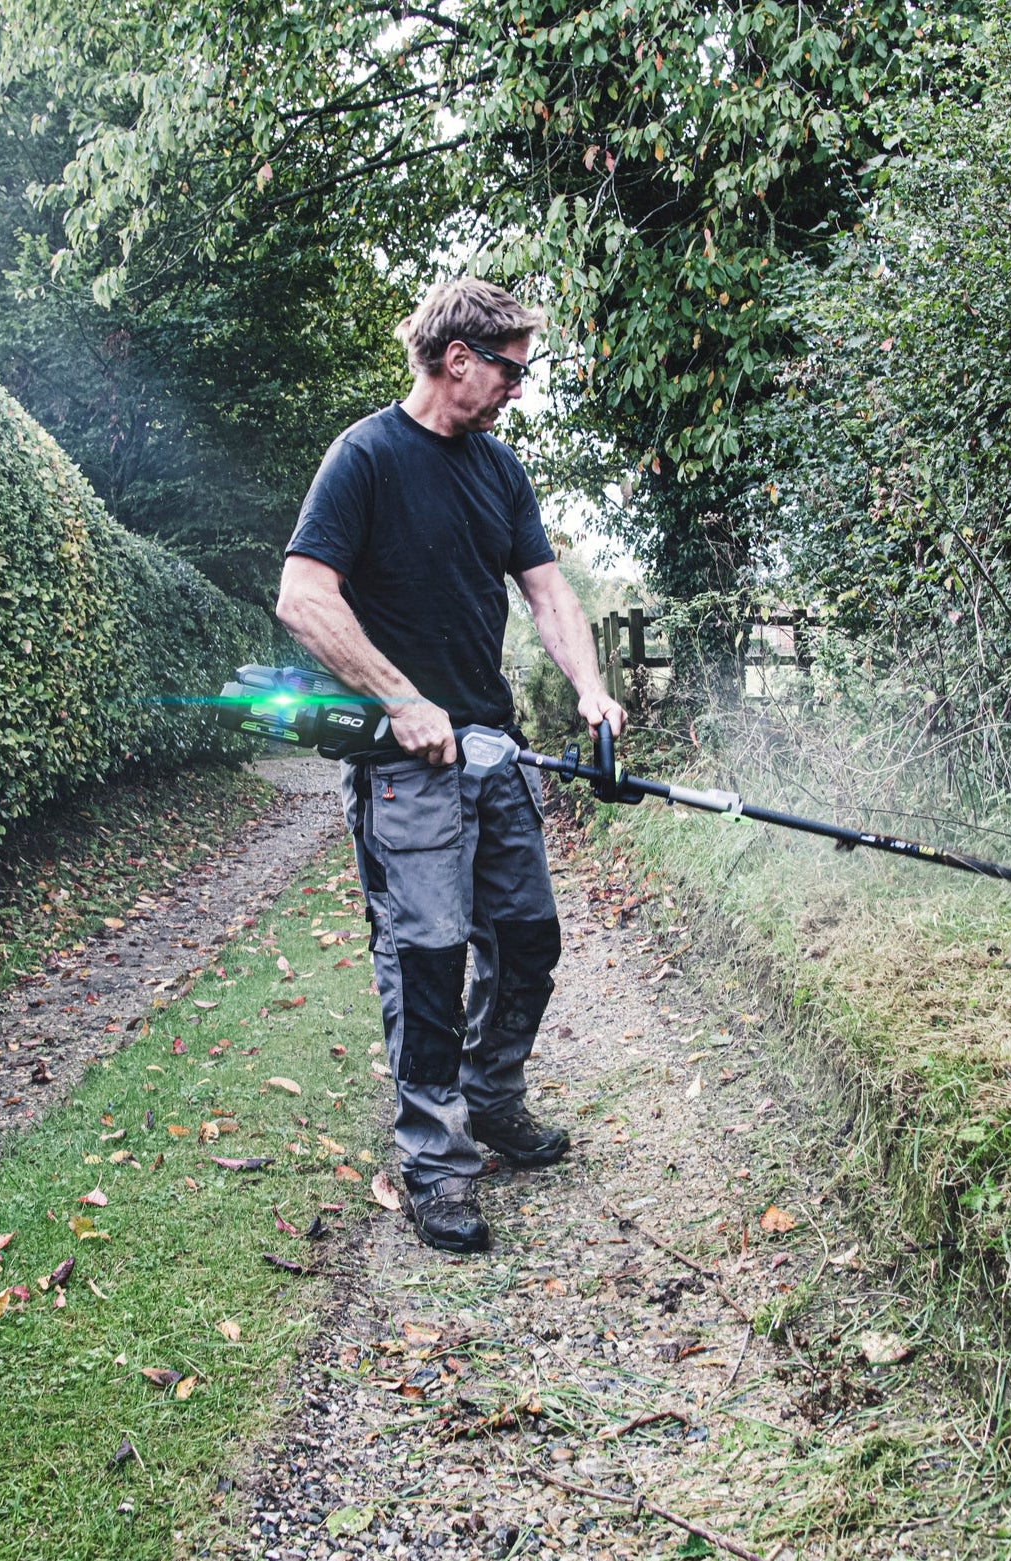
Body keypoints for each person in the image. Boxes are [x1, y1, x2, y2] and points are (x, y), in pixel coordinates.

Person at [276, 277, 627, 1252]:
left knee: (527, 940)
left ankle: (490, 1096)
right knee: (427, 961)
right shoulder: (365, 458)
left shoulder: (498, 469)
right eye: (511, 368)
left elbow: (549, 595)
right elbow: (302, 595)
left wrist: (591, 690)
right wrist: (397, 694)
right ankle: (435, 1164)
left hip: (493, 748)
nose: (520, 386)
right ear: (457, 357)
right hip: (405, 764)